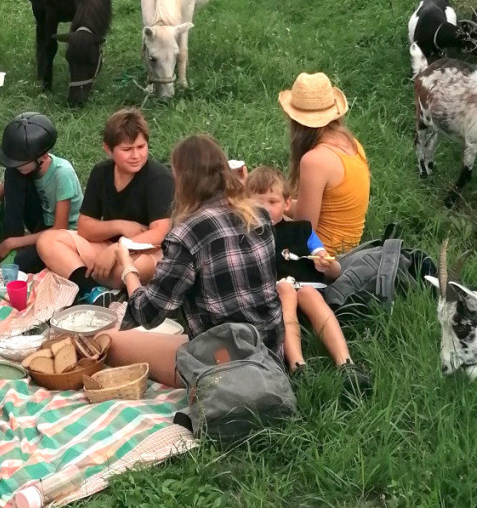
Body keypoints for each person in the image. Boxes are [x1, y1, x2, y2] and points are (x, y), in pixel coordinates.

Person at [101, 135, 282, 388]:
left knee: (108, 340)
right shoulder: (259, 214)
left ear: (183, 180)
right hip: (271, 352)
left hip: (224, 366)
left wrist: (128, 268)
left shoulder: (188, 232)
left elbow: (147, 313)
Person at [247, 166, 370, 390]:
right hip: (277, 297)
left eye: (272, 202)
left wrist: (326, 263)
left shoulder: (302, 231)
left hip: (310, 290)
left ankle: (346, 363)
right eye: (257, 203)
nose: (264, 209)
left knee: (308, 293)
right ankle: (297, 365)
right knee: (286, 291)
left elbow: (334, 271)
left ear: (286, 203)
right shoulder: (247, 237)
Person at [35, 108, 173, 301]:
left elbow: (159, 235)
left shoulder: (159, 178)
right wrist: (120, 226)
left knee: (131, 270)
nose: (136, 155)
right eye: (127, 149)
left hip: (145, 253)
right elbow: (84, 227)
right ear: (108, 149)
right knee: (47, 241)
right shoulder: (101, 173)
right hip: (107, 247)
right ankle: (91, 290)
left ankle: (92, 280)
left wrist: (120, 249)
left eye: (141, 147)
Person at [0, 112, 82, 273]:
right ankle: (13, 240)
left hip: (62, 235)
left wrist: (12, 242)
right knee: (12, 173)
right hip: (41, 223)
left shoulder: (62, 174)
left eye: (21, 164)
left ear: (43, 157)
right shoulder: (23, 168)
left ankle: (14, 246)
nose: (18, 167)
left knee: (20, 265)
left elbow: (60, 229)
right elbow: (8, 184)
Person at [278, 72, 371, 255]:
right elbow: (319, 210)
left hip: (320, 258)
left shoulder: (314, 160)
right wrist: (276, 202)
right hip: (348, 253)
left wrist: (256, 205)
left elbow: (302, 234)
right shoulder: (353, 144)